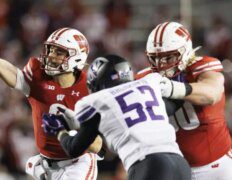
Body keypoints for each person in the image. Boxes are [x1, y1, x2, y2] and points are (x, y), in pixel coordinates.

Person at [0, 3, 101, 180]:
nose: (50, 56)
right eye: (50, 50)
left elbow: (98, 145)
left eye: (59, 52)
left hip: (76, 165)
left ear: (78, 57)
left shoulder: (90, 89)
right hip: (44, 165)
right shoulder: (37, 76)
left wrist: (72, 129)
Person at [42, 54, 191, 180]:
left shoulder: (95, 101)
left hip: (149, 164)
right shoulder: (149, 83)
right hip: (181, 164)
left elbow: (74, 148)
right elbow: (173, 105)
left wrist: (59, 131)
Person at [138, 21, 232, 180]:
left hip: (217, 166)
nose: (161, 65)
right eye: (155, 58)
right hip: (176, 170)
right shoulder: (144, 78)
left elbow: (211, 93)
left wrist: (171, 88)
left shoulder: (202, 66)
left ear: (185, 51)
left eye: (169, 57)